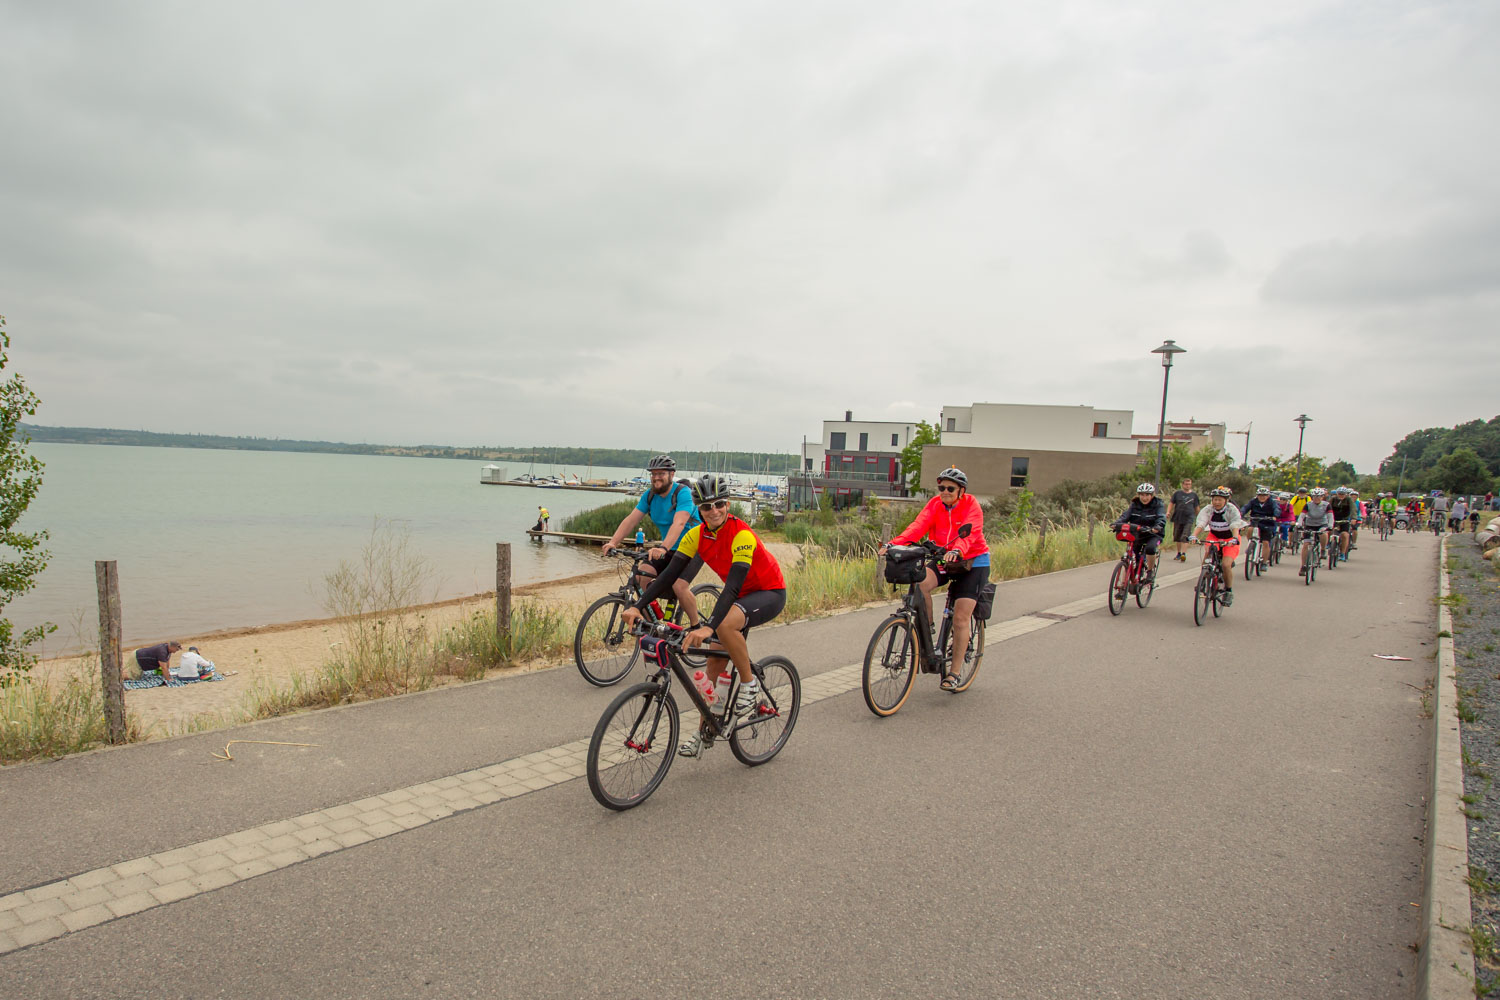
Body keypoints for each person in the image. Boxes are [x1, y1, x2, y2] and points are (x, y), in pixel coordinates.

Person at [623, 473, 785, 759]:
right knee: (712, 670)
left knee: (724, 626)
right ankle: (704, 731)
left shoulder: (742, 534)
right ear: (699, 509)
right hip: (739, 598)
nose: (714, 511)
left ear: (728, 505)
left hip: (768, 592)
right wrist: (638, 605)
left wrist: (708, 627)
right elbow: (669, 576)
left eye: (719, 504)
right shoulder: (696, 535)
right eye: (707, 506)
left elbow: (732, 587)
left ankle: (749, 684)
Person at [881, 467, 990, 691]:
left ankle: (954, 674)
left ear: (961, 491)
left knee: (960, 618)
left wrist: (958, 549)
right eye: (941, 488)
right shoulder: (935, 505)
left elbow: (970, 532)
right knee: (920, 582)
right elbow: (917, 527)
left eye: (950, 488)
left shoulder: (971, 505)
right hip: (943, 558)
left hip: (972, 562)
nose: (945, 492)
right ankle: (927, 626)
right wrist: (893, 544)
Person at [603, 455, 702, 624]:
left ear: (671, 474)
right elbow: (631, 520)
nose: (656, 477)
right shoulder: (649, 496)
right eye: (653, 474)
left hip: (693, 548)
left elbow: (679, 523)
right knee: (641, 576)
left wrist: (663, 548)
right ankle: (652, 625)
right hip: (669, 548)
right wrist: (613, 542)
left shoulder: (682, 493)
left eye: (661, 473)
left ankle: (696, 626)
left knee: (679, 587)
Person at [1191, 487, 1246, 604]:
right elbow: (1201, 523)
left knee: (1226, 565)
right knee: (1208, 556)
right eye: (1215, 499)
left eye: (1220, 500)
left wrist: (1235, 538)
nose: (1217, 502)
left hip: (1230, 537)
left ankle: (1228, 591)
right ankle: (1203, 580)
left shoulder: (1232, 509)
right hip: (1214, 536)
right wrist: (1193, 536)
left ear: (1226, 500)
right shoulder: (1208, 509)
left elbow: (1235, 525)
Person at [1110, 483, 1166, 592]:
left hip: (1153, 534)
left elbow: (1161, 517)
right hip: (1138, 533)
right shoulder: (1135, 504)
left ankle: (1150, 572)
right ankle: (1123, 586)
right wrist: (1116, 524)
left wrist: (1158, 526)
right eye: (1142, 495)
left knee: (1150, 548)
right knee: (1130, 556)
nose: (1144, 498)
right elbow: (1125, 516)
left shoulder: (1158, 505)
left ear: (1152, 495)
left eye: (1147, 495)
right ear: (1138, 495)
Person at [1296, 487, 1335, 575]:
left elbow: (1330, 516)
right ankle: (1303, 566)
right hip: (1310, 524)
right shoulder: (1308, 504)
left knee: (1323, 533)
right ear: (1312, 497)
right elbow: (1302, 516)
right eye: (1314, 496)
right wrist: (1299, 524)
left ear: (1322, 497)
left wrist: (1330, 526)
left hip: (1322, 524)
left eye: (1319, 496)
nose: (1317, 498)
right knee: (1306, 545)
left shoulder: (1326, 505)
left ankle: (1323, 549)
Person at [1242, 486, 1280, 570]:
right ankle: (1251, 545)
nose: (1262, 497)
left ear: (1268, 496)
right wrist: (1241, 513)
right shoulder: (1253, 501)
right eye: (1260, 495)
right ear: (1257, 496)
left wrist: (1275, 516)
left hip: (1267, 523)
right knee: (1250, 529)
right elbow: (1245, 507)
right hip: (1256, 521)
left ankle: (1264, 563)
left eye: (1264, 495)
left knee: (1266, 542)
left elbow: (1276, 509)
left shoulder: (1272, 502)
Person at [1167, 478, 1200, 562]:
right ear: (1183, 484)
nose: (1187, 486)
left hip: (1189, 518)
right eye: (1186, 484)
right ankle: (1178, 553)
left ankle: (1183, 554)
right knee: (1177, 536)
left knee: (1185, 536)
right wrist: (1168, 512)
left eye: (1189, 484)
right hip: (1178, 517)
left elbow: (1196, 507)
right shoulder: (1177, 494)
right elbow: (1171, 503)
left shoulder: (1194, 495)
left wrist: (1199, 518)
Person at [1329, 488, 1355, 562]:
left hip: (1344, 520)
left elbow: (1353, 509)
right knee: (1329, 531)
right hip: (1334, 519)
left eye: (1343, 494)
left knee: (1345, 535)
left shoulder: (1349, 500)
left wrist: (1353, 518)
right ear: (1337, 494)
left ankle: (1342, 553)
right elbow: (1327, 508)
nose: (1341, 496)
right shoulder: (1333, 499)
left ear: (1346, 494)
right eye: (1339, 494)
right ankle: (1329, 544)